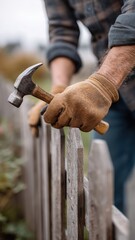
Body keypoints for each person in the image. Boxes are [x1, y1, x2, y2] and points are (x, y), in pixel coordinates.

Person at [28, 0, 135, 213]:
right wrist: (58, 86)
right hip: (115, 97)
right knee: (106, 197)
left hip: (108, 85)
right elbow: (62, 31)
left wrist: (103, 85)